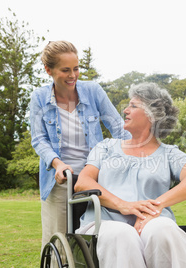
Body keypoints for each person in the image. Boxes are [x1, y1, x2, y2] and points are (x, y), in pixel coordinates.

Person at [74, 82, 186, 268]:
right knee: (123, 235)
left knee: (164, 230)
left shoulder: (169, 154)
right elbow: (82, 183)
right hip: (104, 223)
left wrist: (155, 208)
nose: (125, 110)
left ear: (152, 115)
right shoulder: (106, 147)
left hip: (152, 221)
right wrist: (124, 205)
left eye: (133, 106)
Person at [29, 40, 130, 249]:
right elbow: (39, 140)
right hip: (59, 181)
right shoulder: (39, 98)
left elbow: (118, 128)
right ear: (48, 70)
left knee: (98, 238)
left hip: (95, 177)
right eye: (65, 70)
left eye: (76, 69)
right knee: (58, 241)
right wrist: (58, 164)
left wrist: (141, 149)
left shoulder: (92, 91)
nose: (73, 75)